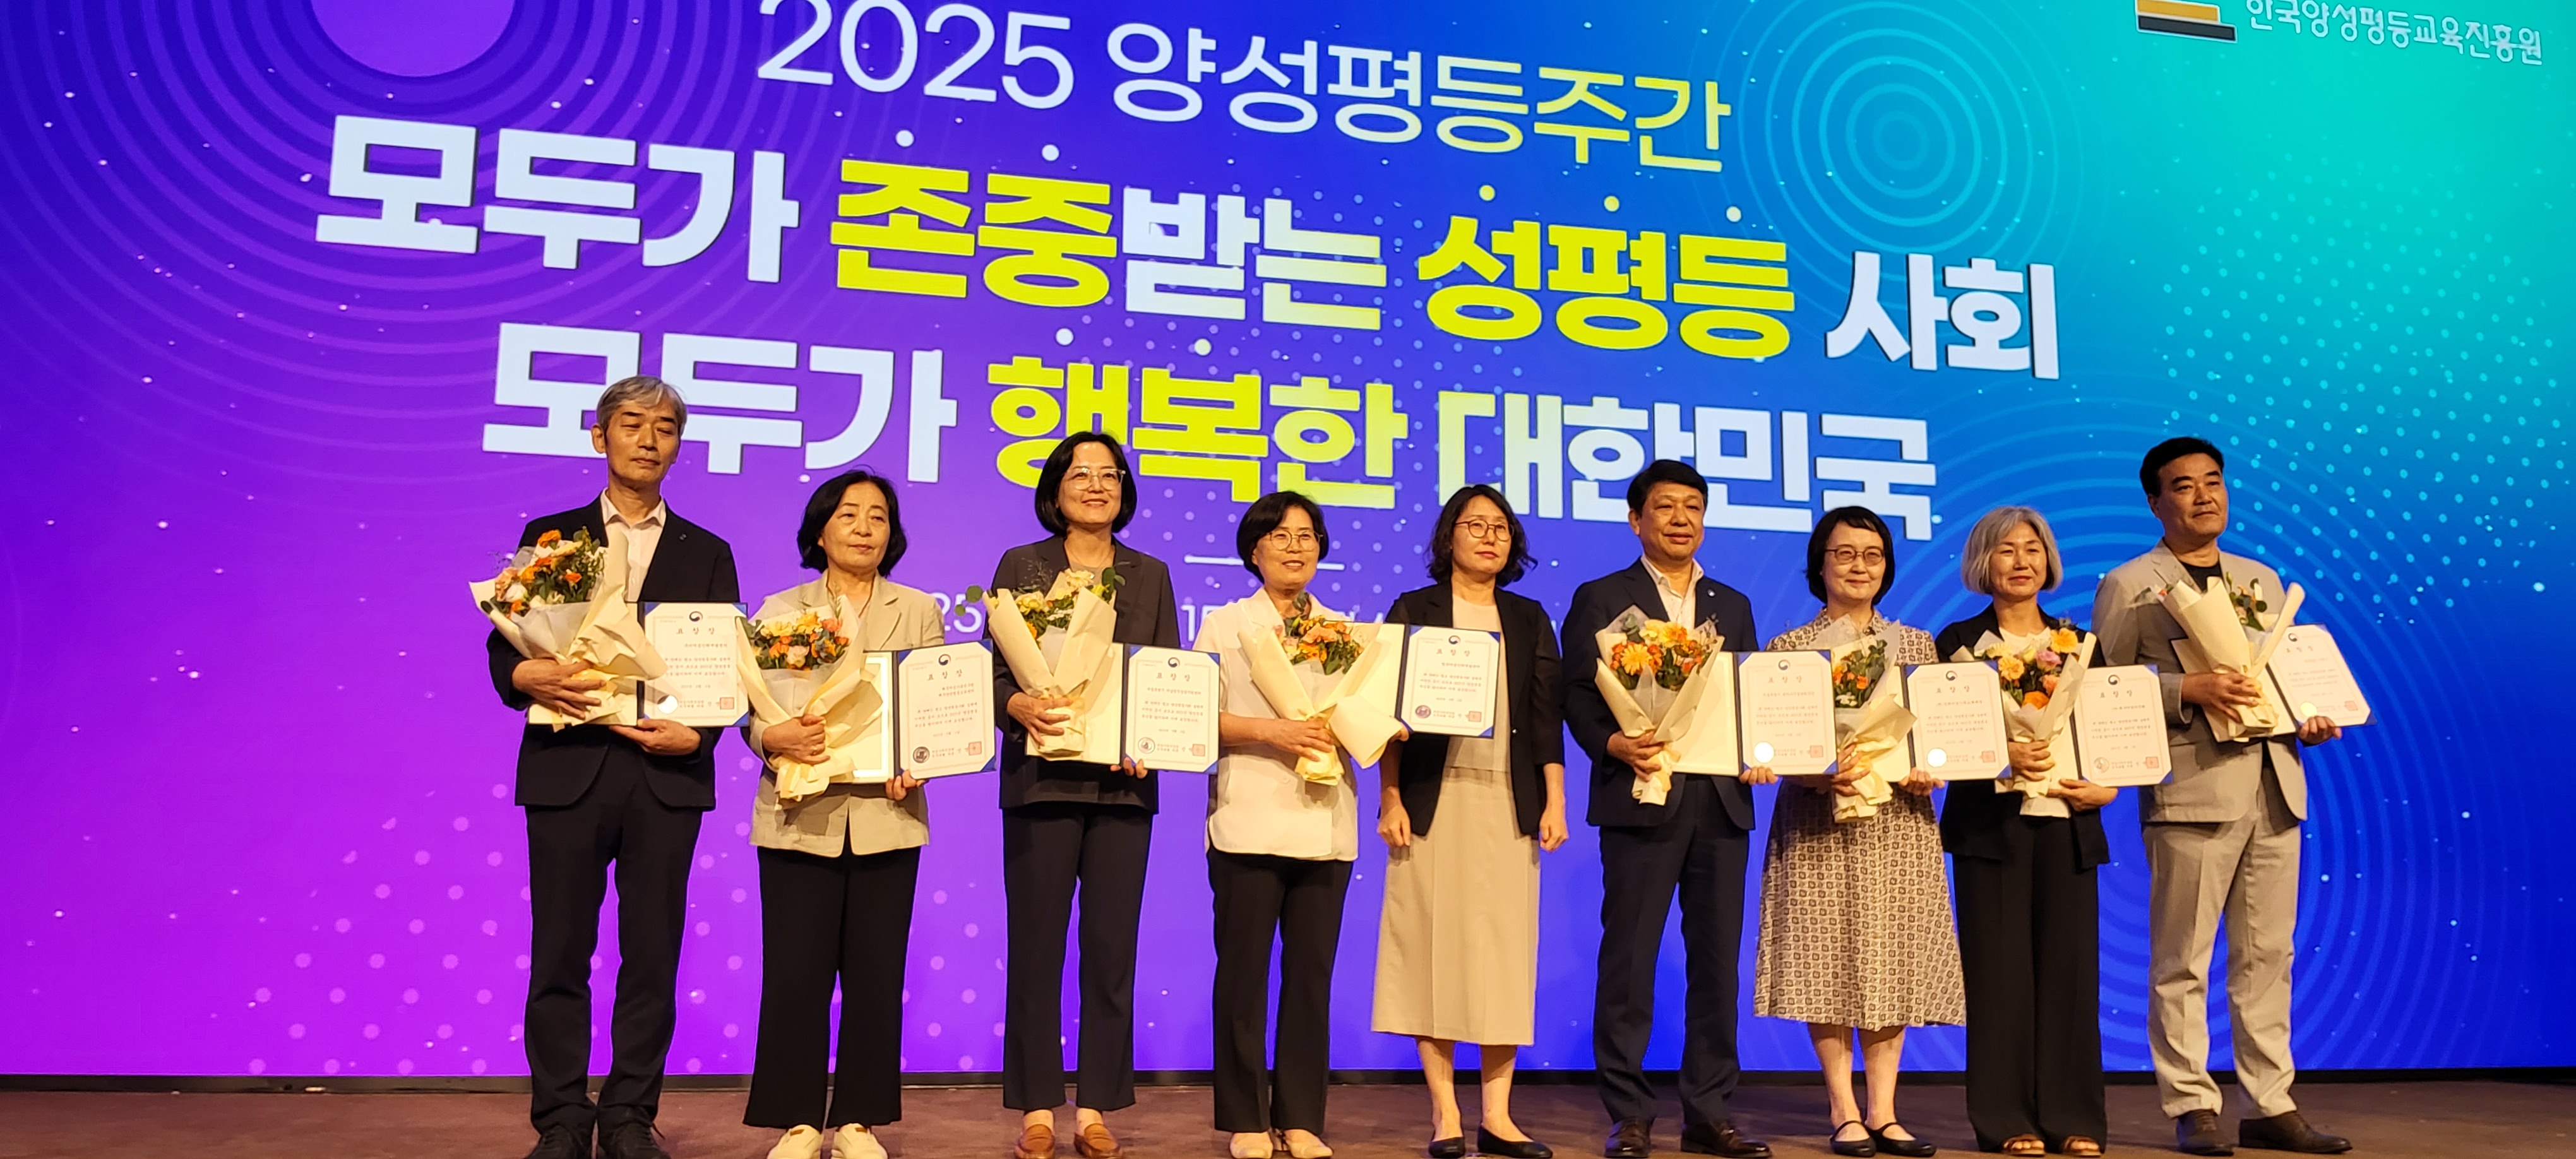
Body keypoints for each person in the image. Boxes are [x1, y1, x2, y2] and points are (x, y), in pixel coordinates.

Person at [486, 376, 741, 1159]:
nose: (648, 439)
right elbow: (507, 640)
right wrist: (520, 674)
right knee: (560, 952)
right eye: (631, 424)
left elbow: (725, 669)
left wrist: (700, 737)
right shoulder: (552, 535)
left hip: (664, 778)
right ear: (601, 437)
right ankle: (561, 1118)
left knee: (652, 957)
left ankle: (629, 1114)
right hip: (569, 768)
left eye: (665, 427)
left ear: (678, 445)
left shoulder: (709, 551)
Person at [2094, 437, 2349, 1156]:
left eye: (2214, 481)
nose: (2204, 496)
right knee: (2183, 958)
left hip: (2275, 783)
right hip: (2193, 790)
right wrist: (2188, 689)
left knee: (2269, 954)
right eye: (2184, 486)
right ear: (2155, 503)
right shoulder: (2130, 583)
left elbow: (2282, 673)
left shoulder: (2258, 578)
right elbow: (2105, 688)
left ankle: (2270, 1102)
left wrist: (2310, 713)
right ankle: (2192, 1103)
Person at [1561, 460, 1772, 1159]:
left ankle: (1709, 1112)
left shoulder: (1730, 603)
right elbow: (1577, 693)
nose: (1681, 519)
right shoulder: (1602, 596)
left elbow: (1747, 695)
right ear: (1636, 520)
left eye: (1693, 507)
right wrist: (1612, 743)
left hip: (1720, 804)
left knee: (1716, 963)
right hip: (1640, 794)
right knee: (1630, 960)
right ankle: (1629, 1114)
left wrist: (1759, 749)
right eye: (1665, 507)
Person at [743, 470, 949, 1159]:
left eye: (879, 516)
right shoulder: (782, 607)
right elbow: (753, 712)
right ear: (821, 530)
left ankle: (858, 1120)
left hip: (888, 813)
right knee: (795, 973)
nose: (864, 527)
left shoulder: (917, 610)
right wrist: (772, 738)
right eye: (849, 514)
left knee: (875, 975)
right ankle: (798, 1121)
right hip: (801, 811)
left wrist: (923, 757)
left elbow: (935, 707)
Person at [990, 432, 1181, 1159]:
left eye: (1110, 475)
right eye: (1081, 475)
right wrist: (1017, 706)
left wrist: (1154, 738)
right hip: (1040, 780)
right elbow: (996, 673)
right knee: (1036, 947)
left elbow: (1166, 673)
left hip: (1122, 787)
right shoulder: (1023, 566)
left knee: (1109, 951)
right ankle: (1038, 1106)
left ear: (1124, 491)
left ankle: (1095, 1107)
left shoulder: (1150, 574)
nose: (1097, 486)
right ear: (1057, 489)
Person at [1755, 506, 1962, 1159]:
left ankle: (1885, 1111)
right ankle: (1843, 1108)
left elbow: (1935, 739)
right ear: (1820, 564)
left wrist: (1930, 769)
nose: (1859, 566)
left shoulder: (1917, 647)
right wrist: (1814, 771)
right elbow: (1777, 745)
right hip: (1818, 822)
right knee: (1827, 957)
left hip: (1898, 824)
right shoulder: (1788, 650)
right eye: (1844, 554)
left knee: (1893, 958)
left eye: (1872, 555)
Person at [1372, 485, 1570, 1159]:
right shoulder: (1414, 610)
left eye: (1501, 528)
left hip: (1507, 802)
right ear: (1448, 536)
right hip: (1432, 802)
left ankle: (1499, 1116)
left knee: (1503, 955)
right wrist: (1390, 798)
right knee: (1432, 950)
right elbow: (1386, 716)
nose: (1490, 537)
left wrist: (1554, 799)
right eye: (1475, 525)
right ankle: (1445, 1114)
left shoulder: (1528, 617)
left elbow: (1544, 719)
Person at [1933, 507, 2115, 1159]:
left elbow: (2110, 733)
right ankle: (2004, 1117)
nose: (2021, 561)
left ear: (2049, 560)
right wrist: (2000, 754)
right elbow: (1944, 739)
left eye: (2032, 548)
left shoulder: (2081, 643)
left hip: (2068, 823)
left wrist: (2109, 785)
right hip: (1992, 830)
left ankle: (2073, 1117)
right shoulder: (1956, 644)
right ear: (1983, 562)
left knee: (2070, 975)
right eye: (2006, 549)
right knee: (1999, 977)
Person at [1198, 492, 1371, 1159]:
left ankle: (1301, 1117)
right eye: (1280, 535)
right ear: (1254, 550)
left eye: (1307, 536)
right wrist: (1272, 732)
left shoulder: (1346, 633)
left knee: (1310, 978)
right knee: (1242, 976)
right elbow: (1196, 717)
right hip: (1247, 817)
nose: (1295, 547)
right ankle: (1246, 1117)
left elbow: (1363, 718)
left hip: (1325, 822)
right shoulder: (1224, 625)